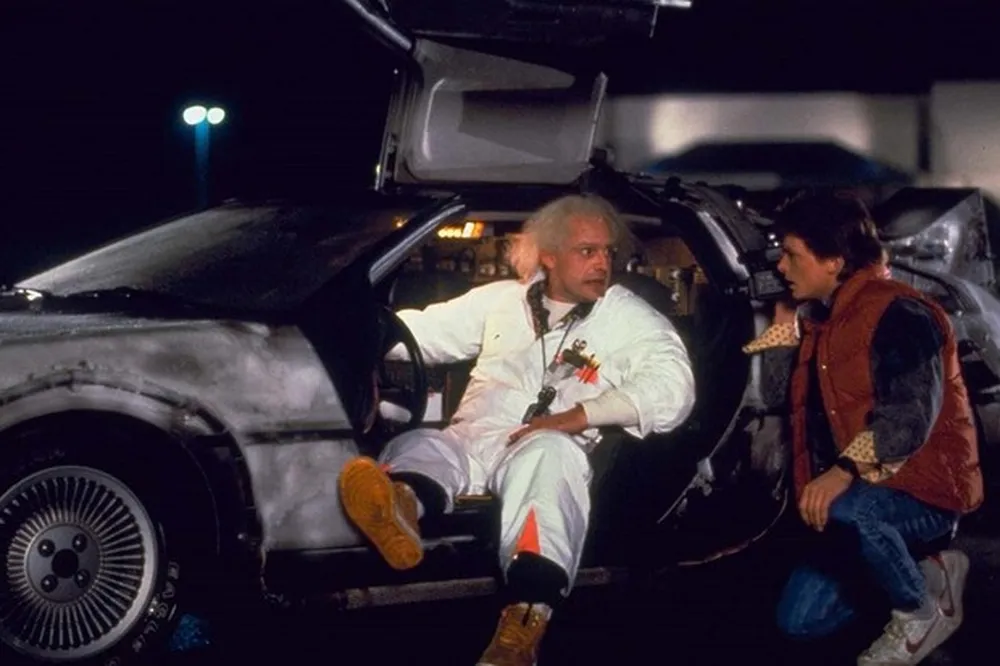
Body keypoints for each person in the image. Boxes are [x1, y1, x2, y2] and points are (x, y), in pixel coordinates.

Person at [338, 193, 696, 665]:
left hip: (544, 448)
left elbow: (673, 389)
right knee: (422, 443)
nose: (602, 264)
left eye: (608, 252)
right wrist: (349, 330)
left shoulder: (627, 317)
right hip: (473, 438)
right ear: (549, 256)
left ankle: (524, 622)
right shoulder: (503, 300)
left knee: (547, 458)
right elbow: (417, 335)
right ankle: (401, 505)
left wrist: (579, 415)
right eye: (586, 251)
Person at [742, 192, 984, 665]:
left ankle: (920, 615)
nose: (782, 267)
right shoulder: (825, 319)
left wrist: (841, 472)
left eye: (791, 254)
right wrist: (784, 328)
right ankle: (925, 574)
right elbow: (779, 396)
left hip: (921, 493)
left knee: (854, 513)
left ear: (833, 260)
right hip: (859, 497)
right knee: (798, 622)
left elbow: (908, 419)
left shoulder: (901, 313)